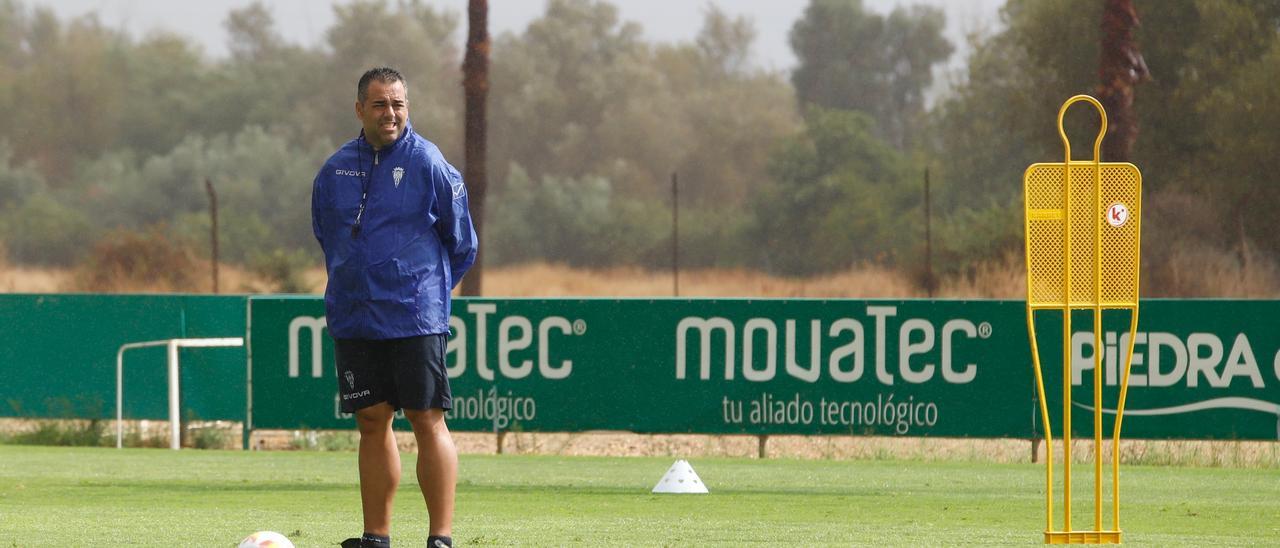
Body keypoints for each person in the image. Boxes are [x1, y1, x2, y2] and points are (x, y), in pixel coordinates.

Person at [312, 66, 477, 548]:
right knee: (371, 420)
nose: (391, 113)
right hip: (355, 314)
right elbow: (327, 235)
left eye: (398, 104)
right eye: (380, 104)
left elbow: (462, 242)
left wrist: (427, 291)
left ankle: (440, 538)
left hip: (413, 315)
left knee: (426, 417)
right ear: (360, 108)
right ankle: (376, 537)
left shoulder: (428, 162)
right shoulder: (334, 168)